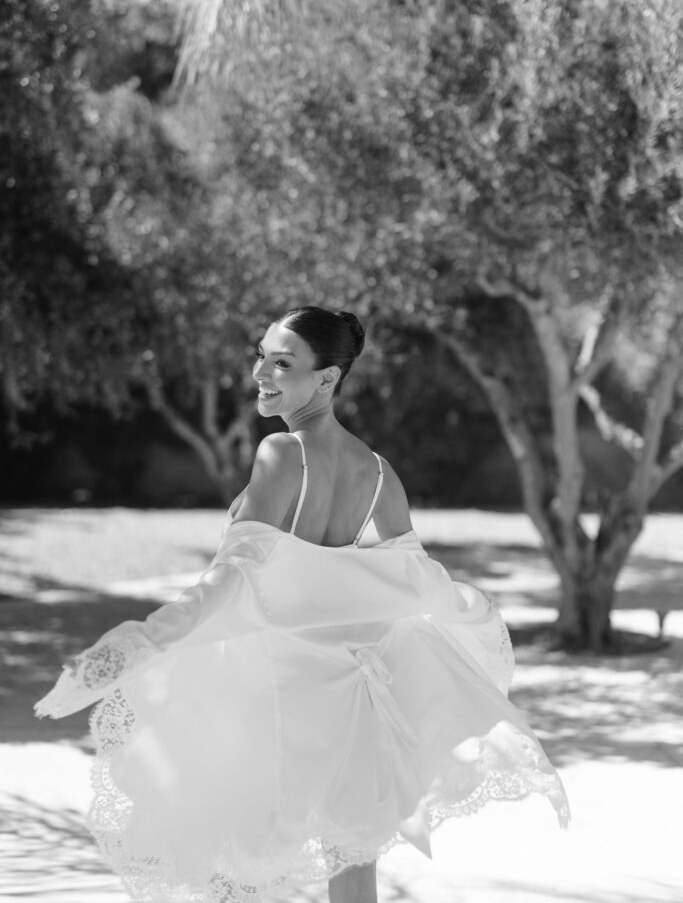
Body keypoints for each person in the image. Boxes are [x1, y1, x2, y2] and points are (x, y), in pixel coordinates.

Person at [36, 306, 569, 903]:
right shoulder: (378, 471)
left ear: (327, 378)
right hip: (348, 698)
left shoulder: (281, 453)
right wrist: (482, 615)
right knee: (351, 861)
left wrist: (141, 641)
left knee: (235, 870)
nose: (262, 372)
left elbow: (232, 578)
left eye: (282, 362)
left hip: (274, 689)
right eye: (261, 355)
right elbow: (423, 580)